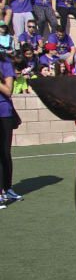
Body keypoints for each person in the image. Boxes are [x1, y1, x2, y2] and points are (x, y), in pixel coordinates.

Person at [0, 48, 17, 208]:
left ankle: (7, 188)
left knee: (5, 153)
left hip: (4, 112)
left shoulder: (5, 63)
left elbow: (8, 90)